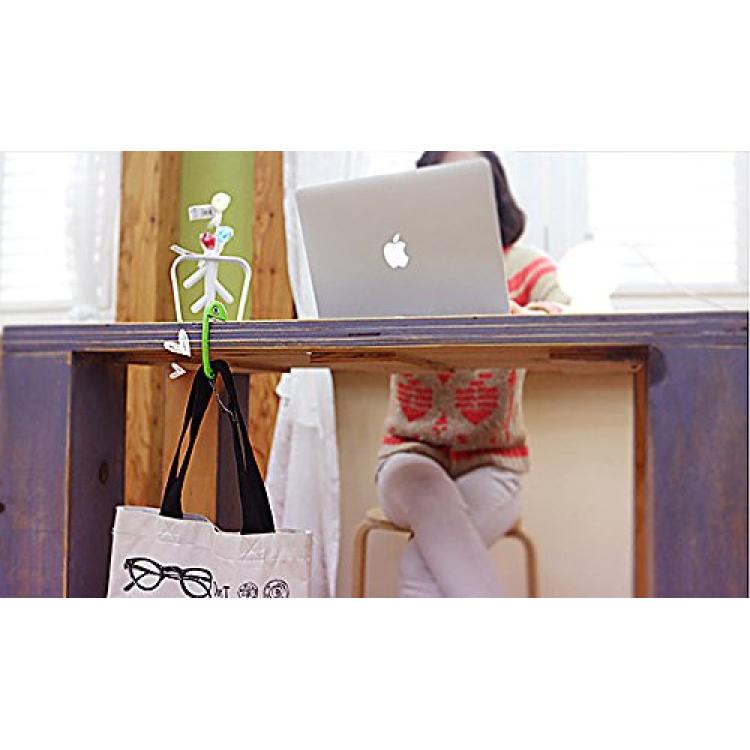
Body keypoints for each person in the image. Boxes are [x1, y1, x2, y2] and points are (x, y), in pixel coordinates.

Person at [375, 150, 570, 597]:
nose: (458, 191)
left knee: (420, 565)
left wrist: (521, 316)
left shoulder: (527, 268)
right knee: (426, 492)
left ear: (495, 189)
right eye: (446, 180)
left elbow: (573, 312)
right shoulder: (399, 268)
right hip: (407, 456)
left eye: (471, 179)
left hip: (494, 465)